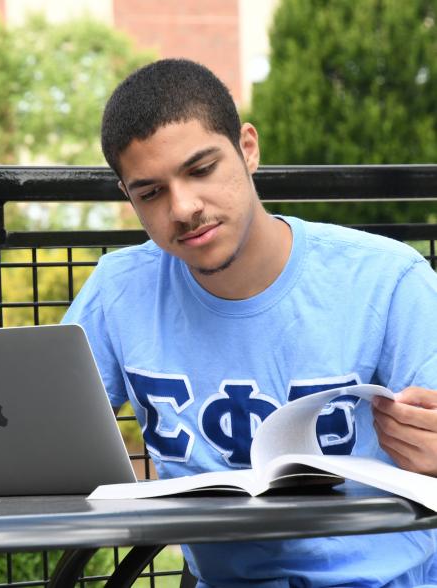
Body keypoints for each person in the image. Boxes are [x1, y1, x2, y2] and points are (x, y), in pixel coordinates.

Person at [62, 58, 437, 587]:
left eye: (201, 169)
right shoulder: (118, 290)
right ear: (130, 199)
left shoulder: (389, 279)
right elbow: (50, 442)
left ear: (248, 149)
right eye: (151, 192)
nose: (185, 207)